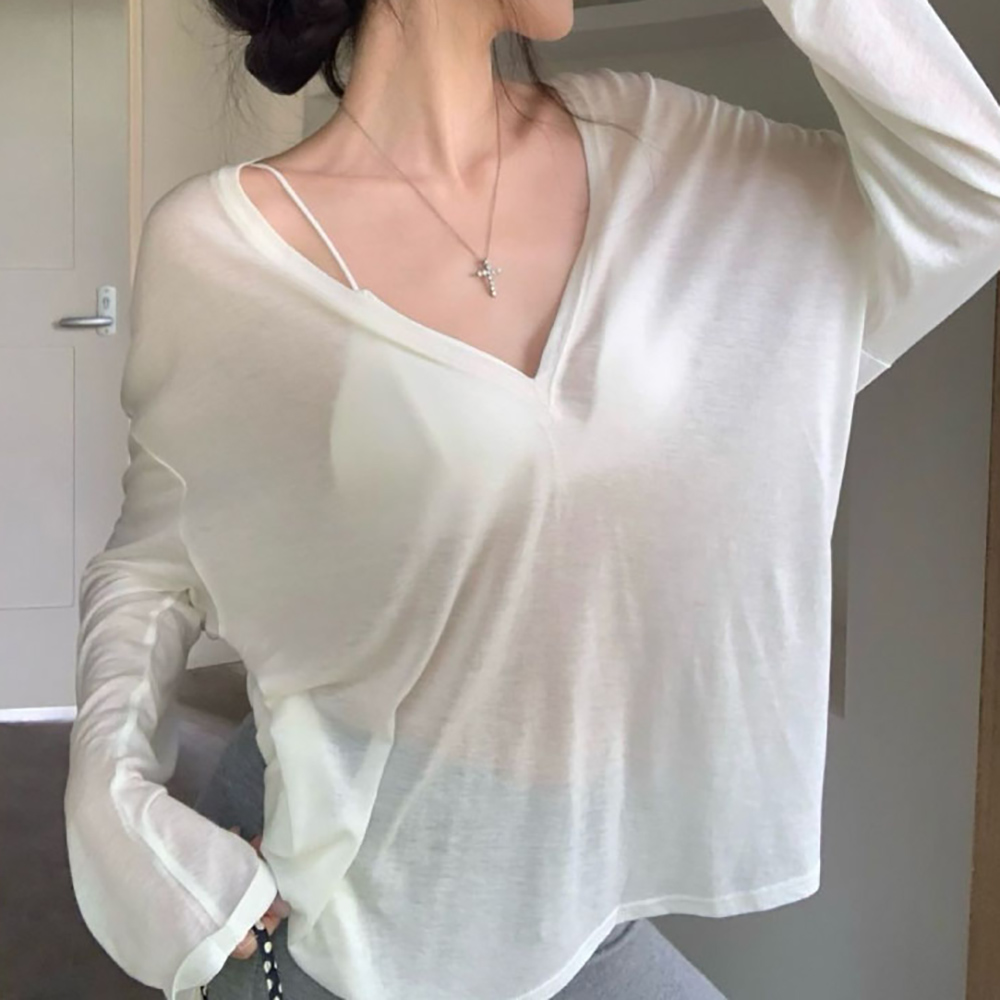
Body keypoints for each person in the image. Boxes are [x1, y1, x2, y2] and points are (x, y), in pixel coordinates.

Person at [63, 0, 1000, 997]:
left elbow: (970, 190)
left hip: (581, 884)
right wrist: (114, 810)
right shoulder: (223, 246)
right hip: (339, 883)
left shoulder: (660, 146)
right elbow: (153, 565)